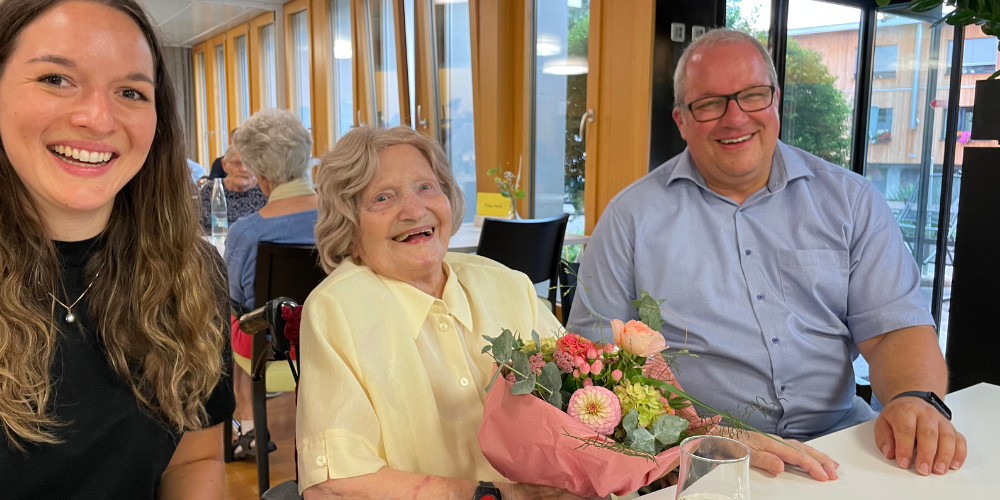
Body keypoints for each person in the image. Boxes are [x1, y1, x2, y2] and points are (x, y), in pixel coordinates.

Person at [568, 28, 966, 479]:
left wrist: (915, 398)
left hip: (843, 445)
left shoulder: (851, 201)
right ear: (681, 119)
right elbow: (595, 365)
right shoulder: (629, 218)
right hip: (702, 458)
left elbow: (895, 330)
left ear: (776, 100)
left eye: (752, 95)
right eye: (709, 103)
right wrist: (701, 437)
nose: (734, 118)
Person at [0, 0, 235, 498]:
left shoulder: (190, 275)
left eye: (130, 91)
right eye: (55, 79)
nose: (98, 118)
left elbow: (193, 457)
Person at [297, 126, 589, 500]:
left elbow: (585, 389)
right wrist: (506, 495)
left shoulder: (507, 285)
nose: (415, 210)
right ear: (349, 227)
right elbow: (335, 485)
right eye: (383, 198)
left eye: (425, 187)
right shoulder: (336, 311)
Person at [225, 108, 318, 458]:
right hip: (333, 338)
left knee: (233, 318)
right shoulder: (343, 218)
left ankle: (247, 427)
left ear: (260, 175)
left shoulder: (246, 232)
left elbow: (235, 298)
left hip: (273, 349)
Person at [199, 145, 268, 233]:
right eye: (237, 163)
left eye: (249, 164)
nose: (243, 169)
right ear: (224, 165)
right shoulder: (211, 190)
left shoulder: (265, 190)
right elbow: (198, 227)